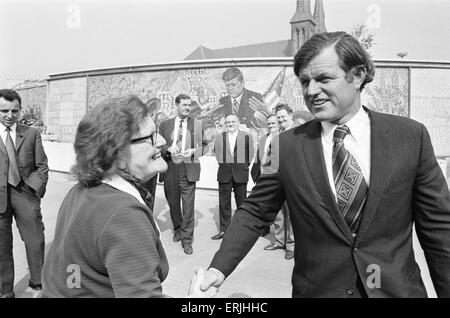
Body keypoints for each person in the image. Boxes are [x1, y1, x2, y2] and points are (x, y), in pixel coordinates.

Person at [198, 31, 450, 297]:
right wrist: (219, 268)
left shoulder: (411, 137)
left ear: (357, 75)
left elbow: (439, 230)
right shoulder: (284, 146)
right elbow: (255, 211)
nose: (312, 91)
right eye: (305, 81)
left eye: (323, 79)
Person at [41, 95, 214, 298]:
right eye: (151, 135)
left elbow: (72, 275)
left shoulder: (80, 192)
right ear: (118, 151)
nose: (162, 141)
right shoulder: (124, 215)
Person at [0, 89, 49, 298]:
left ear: (19, 110)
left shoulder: (31, 134)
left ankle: (38, 284)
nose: (9, 115)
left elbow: (42, 166)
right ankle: (5, 291)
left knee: (35, 240)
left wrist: (35, 190)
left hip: (24, 192)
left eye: (14, 110)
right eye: (4, 110)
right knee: (2, 247)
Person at [159, 94, 208, 255]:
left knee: (188, 207)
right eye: (184, 105)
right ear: (177, 106)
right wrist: (168, 149)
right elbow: (159, 146)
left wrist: (194, 150)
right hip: (171, 168)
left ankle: (187, 240)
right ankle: (178, 229)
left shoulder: (197, 124)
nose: (187, 108)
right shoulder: (165, 125)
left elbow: (205, 146)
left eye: (189, 105)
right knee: (173, 203)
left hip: (189, 169)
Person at [258, 104, 295, 260]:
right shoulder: (276, 134)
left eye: (283, 117)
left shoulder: (299, 132)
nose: (280, 120)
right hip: (277, 179)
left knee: (292, 214)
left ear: (291, 115)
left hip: (293, 180)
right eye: (278, 117)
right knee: (278, 212)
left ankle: (291, 245)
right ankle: (280, 241)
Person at [212, 114, 254, 240]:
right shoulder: (220, 137)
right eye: (228, 122)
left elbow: (250, 154)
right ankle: (224, 230)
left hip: (240, 173)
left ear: (238, 122)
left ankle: (241, 231)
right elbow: (217, 153)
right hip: (224, 173)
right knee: (224, 203)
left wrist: (242, 166)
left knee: (242, 203)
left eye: (233, 122)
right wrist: (225, 165)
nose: (230, 124)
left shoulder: (246, 136)